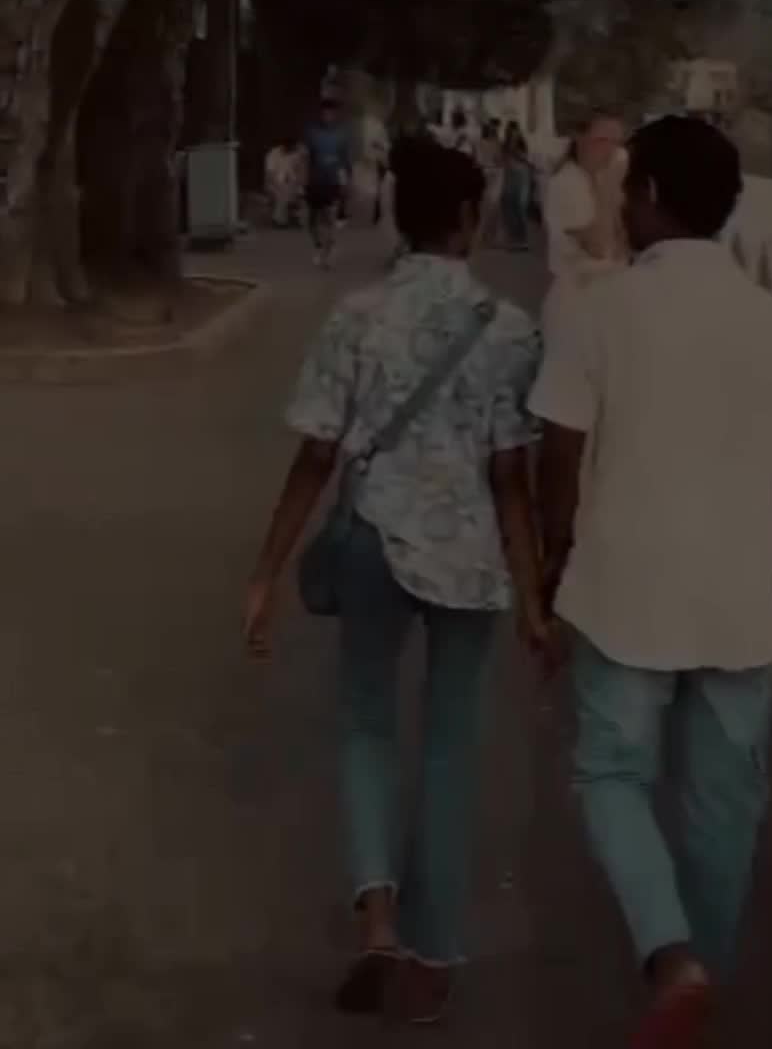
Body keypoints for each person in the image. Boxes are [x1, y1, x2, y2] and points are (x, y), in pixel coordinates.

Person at [532, 117, 772, 1048]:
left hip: (624, 586)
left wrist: (551, 562)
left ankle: (671, 958)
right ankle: (703, 991)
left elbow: (559, 450)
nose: (621, 203)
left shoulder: (599, 312)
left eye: (628, 187)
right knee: (724, 806)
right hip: (738, 595)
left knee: (611, 774)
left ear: (653, 193)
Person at [244, 138, 547, 1025]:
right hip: (469, 558)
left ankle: (377, 924)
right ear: (469, 219)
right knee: (450, 748)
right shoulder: (509, 328)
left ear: (401, 218)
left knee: (367, 726)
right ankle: (432, 953)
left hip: (373, 539)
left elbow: (316, 454)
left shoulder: (358, 314)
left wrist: (265, 571)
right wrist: (534, 600)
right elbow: (512, 480)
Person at [543, 111, 627, 284]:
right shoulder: (566, 183)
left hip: (608, 282)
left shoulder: (599, 177)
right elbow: (598, 248)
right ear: (579, 138)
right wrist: (609, 190)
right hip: (578, 287)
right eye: (601, 140)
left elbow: (623, 237)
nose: (611, 151)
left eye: (616, 142)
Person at [303, 96, 352, 268]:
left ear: (336, 114)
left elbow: (345, 161)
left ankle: (327, 253)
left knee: (330, 218)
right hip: (315, 181)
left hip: (332, 182)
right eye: (326, 112)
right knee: (312, 220)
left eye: (332, 112)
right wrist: (303, 180)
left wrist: (345, 183)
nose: (329, 115)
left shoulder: (341, 135)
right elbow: (306, 157)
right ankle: (319, 246)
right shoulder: (312, 133)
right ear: (321, 113)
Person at [499, 122, 533, 252]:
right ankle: (513, 239)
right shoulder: (505, 145)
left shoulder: (520, 144)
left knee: (519, 208)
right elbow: (502, 159)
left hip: (520, 177)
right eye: (511, 131)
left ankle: (522, 240)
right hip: (509, 177)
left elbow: (525, 158)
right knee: (508, 208)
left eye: (515, 131)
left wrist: (514, 151)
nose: (513, 134)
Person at [265, 138, 304, 228]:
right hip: (275, 182)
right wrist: (279, 184)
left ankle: (293, 216)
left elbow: (300, 171)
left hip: (292, 182)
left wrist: (298, 182)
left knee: (299, 190)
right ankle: (279, 219)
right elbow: (270, 174)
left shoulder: (297, 154)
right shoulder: (273, 154)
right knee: (282, 192)